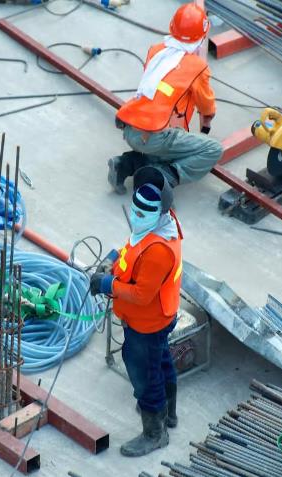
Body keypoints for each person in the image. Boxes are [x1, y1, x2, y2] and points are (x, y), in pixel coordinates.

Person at [90, 167, 183, 457]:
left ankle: (155, 433)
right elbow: (133, 247)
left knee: (145, 374)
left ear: (159, 212)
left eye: (144, 213)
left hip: (148, 322)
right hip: (158, 318)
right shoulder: (159, 226)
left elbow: (142, 295)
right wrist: (114, 260)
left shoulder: (159, 250)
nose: (137, 217)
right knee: (161, 360)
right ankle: (168, 414)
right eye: (135, 210)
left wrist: (108, 283)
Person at [108, 3, 223, 194]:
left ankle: (124, 165)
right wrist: (208, 119)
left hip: (130, 126)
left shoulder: (156, 50)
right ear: (202, 36)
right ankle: (161, 178)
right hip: (154, 136)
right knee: (212, 149)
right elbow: (206, 105)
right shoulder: (197, 67)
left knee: (167, 145)